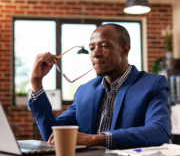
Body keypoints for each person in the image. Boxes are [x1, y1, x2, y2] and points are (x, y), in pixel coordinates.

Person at [29, 24, 171, 149]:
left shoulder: (153, 84)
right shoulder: (84, 91)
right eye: (91, 48)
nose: (95, 54)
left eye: (104, 46)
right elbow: (52, 135)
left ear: (125, 50)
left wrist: (95, 139)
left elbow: (159, 131)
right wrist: (37, 82)